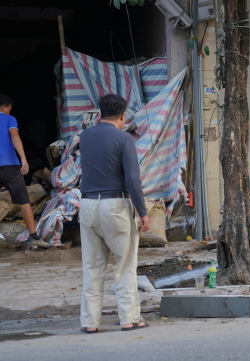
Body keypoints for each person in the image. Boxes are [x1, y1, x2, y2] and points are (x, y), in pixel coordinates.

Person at [78, 94, 150, 333]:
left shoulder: (85, 137)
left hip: (87, 206)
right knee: (125, 265)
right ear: (123, 115)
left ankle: (89, 323)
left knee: (91, 266)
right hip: (115, 206)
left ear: (99, 113)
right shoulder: (124, 138)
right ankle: (129, 318)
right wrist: (143, 212)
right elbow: (132, 177)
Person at [0, 94, 50, 248]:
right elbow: (14, 136)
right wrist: (23, 158)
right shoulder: (9, 119)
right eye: (9, 109)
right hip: (9, 165)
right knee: (23, 200)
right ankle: (33, 236)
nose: (9, 111)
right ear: (4, 107)